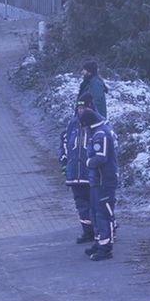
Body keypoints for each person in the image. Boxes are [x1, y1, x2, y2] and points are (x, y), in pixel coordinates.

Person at [79, 105, 119, 260]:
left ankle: (106, 247)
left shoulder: (100, 135)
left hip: (104, 181)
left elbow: (100, 157)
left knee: (103, 213)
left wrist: (88, 162)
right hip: (97, 180)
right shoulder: (97, 132)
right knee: (95, 213)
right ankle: (99, 242)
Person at [60, 95, 96, 244]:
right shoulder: (72, 125)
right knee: (81, 205)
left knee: (95, 203)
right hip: (75, 174)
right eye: (79, 108)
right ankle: (87, 231)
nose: (82, 111)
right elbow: (64, 145)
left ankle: (104, 229)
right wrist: (64, 164)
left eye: (84, 108)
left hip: (90, 174)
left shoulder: (97, 125)